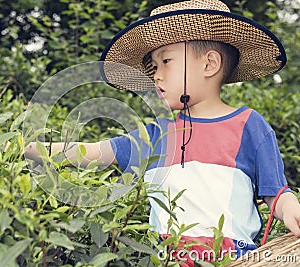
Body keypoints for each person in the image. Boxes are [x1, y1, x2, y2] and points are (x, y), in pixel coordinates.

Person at [25, 0, 300, 264]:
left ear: (209, 65)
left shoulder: (249, 126)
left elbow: (275, 192)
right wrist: (26, 148)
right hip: (165, 261)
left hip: (231, 261)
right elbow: (94, 152)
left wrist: (290, 209)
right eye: (154, 67)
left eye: (166, 61)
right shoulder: (156, 135)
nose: (156, 75)